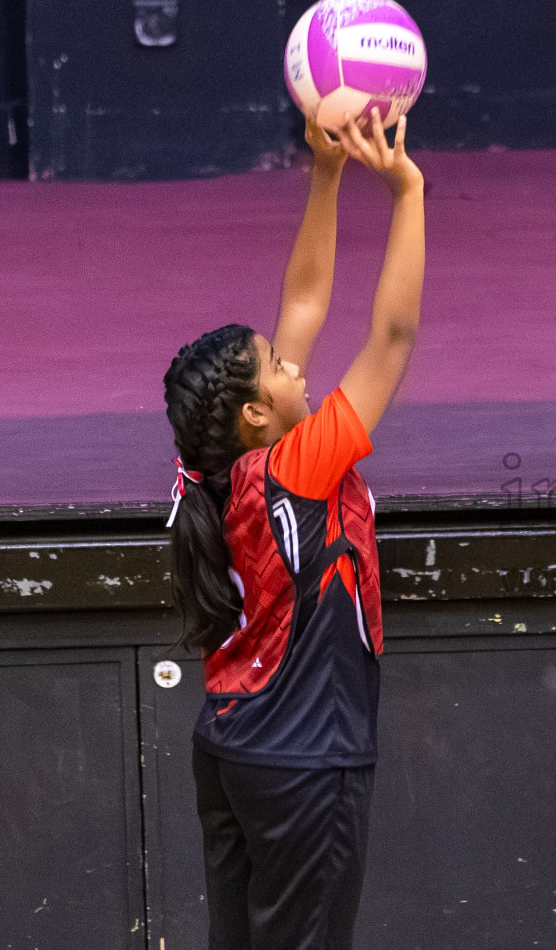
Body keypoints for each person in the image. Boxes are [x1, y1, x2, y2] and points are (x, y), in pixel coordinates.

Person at [162, 108, 425, 950]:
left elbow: (305, 299)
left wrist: (326, 172)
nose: (295, 363)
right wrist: (407, 191)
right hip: (305, 763)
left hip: (231, 749)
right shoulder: (300, 467)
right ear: (255, 412)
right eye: (279, 365)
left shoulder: (212, 472)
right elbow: (393, 336)